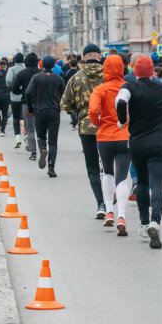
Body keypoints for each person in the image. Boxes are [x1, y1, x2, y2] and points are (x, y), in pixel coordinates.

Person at [116, 56, 162, 249]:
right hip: (160, 144)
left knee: (142, 182)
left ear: (135, 71)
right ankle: (155, 222)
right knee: (158, 185)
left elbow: (120, 102)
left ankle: (144, 225)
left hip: (137, 144)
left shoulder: (128, 87)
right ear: (153, 70)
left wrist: (122, 120)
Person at [61, 44, 107, 219]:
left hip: (86, 127)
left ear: (84, 57)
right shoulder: (108, 76)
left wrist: (79, 110)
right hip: (108, 127)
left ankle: (100, 204)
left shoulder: (76, 77)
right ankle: (113, 199)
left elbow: (65, 104)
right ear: (99, 56)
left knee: (93, 169)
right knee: (110, 167)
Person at [88, 55, 132, 236]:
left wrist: (96, 122)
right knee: (122, 177)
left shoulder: (100, 89)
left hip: (104, 137)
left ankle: (109, 212)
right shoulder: (127, 88)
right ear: (121, 69)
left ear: (105, 69)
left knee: (107, 172)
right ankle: (122, 215)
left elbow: (92, 110)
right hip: (125, 136)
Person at [25, 55, 66, 177]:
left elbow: (28, 92)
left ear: (42, 65)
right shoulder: (58, 79)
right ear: (54, 65)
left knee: (41, 137)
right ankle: (51, 167)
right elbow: (65, 93)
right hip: (54, 112)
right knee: (53, 141)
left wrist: (31, 108)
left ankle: (42, 148)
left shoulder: (36, 77)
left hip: (39, 111)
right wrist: (61, 105)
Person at [12, 52, 40, 159]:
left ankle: (33, 152)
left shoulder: (21, 74)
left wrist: (22, 91)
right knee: (41, 128)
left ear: (26, 62)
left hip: (26, 103)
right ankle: (43, 148)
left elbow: (14, 89)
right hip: (40, 103)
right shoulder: (41, 73)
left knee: (30, 129)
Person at [5, 53, 26, 148]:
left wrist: (12, 86)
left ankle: (17, 137)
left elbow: (8, 81)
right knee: (26, 117)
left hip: (15, 97)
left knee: (16, 117)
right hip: (25, 97)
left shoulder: (12, 69)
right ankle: (27, 135)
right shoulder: (26, 69)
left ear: (14, 61)